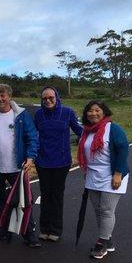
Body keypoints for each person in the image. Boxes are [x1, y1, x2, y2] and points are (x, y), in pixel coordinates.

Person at [0, 83, 41, 247]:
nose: (0, 98)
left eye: (3, 95)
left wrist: (30, 157)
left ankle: (29, 234)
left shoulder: (21, 115)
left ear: (9, 96)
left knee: (23, 201)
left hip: (17, 166)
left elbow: (32, 137)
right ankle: (4, 231)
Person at [77, 100, 129, 259]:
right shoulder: (86, 131)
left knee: (106, 210)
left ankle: (101, 243)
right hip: (93, 175)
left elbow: (123, 150)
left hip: (112, 174)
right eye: (90, 111)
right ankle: (108, 239)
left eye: (97, 110)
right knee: (98, 210)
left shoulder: (113, 129)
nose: (93, 113)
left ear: (104, 112)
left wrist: (118, 173)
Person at [34, 86, 83, 242]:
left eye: (51, 98)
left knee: (56, 195)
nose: (48, 101)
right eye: (45, 98)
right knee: (45, 195)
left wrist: (98, 136)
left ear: (57, 97)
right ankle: (44, 228)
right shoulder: (39, 114)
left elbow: (79, 129)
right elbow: (32, 134)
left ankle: (55, 229)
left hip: (61, 162)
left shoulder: (67, 112)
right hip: (42, 161)